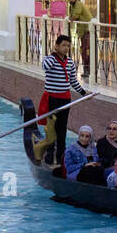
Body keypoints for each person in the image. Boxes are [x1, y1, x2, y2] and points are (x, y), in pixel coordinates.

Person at [35, 34, 86, 165]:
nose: (66, 48)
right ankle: (49, 157)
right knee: (51, 129)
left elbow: (73, 81)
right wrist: (53, 55)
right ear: (56, 46)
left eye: (68, 46)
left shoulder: (70, 62)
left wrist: (83, 93)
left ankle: (61, 158)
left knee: (62, 129)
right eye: (63, 45)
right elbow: (45, 67)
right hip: (52, 99)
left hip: (65, 99)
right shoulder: (50, 59)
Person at [67, 0, 92, 74]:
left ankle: (89, 69)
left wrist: (69, 20)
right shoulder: (72, 6)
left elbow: (75, 16)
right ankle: (86, 69)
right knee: (83, 49)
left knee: (86, 50)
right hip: (81, 29)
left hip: (87, 29)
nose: (71, 0)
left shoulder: (78, 4)